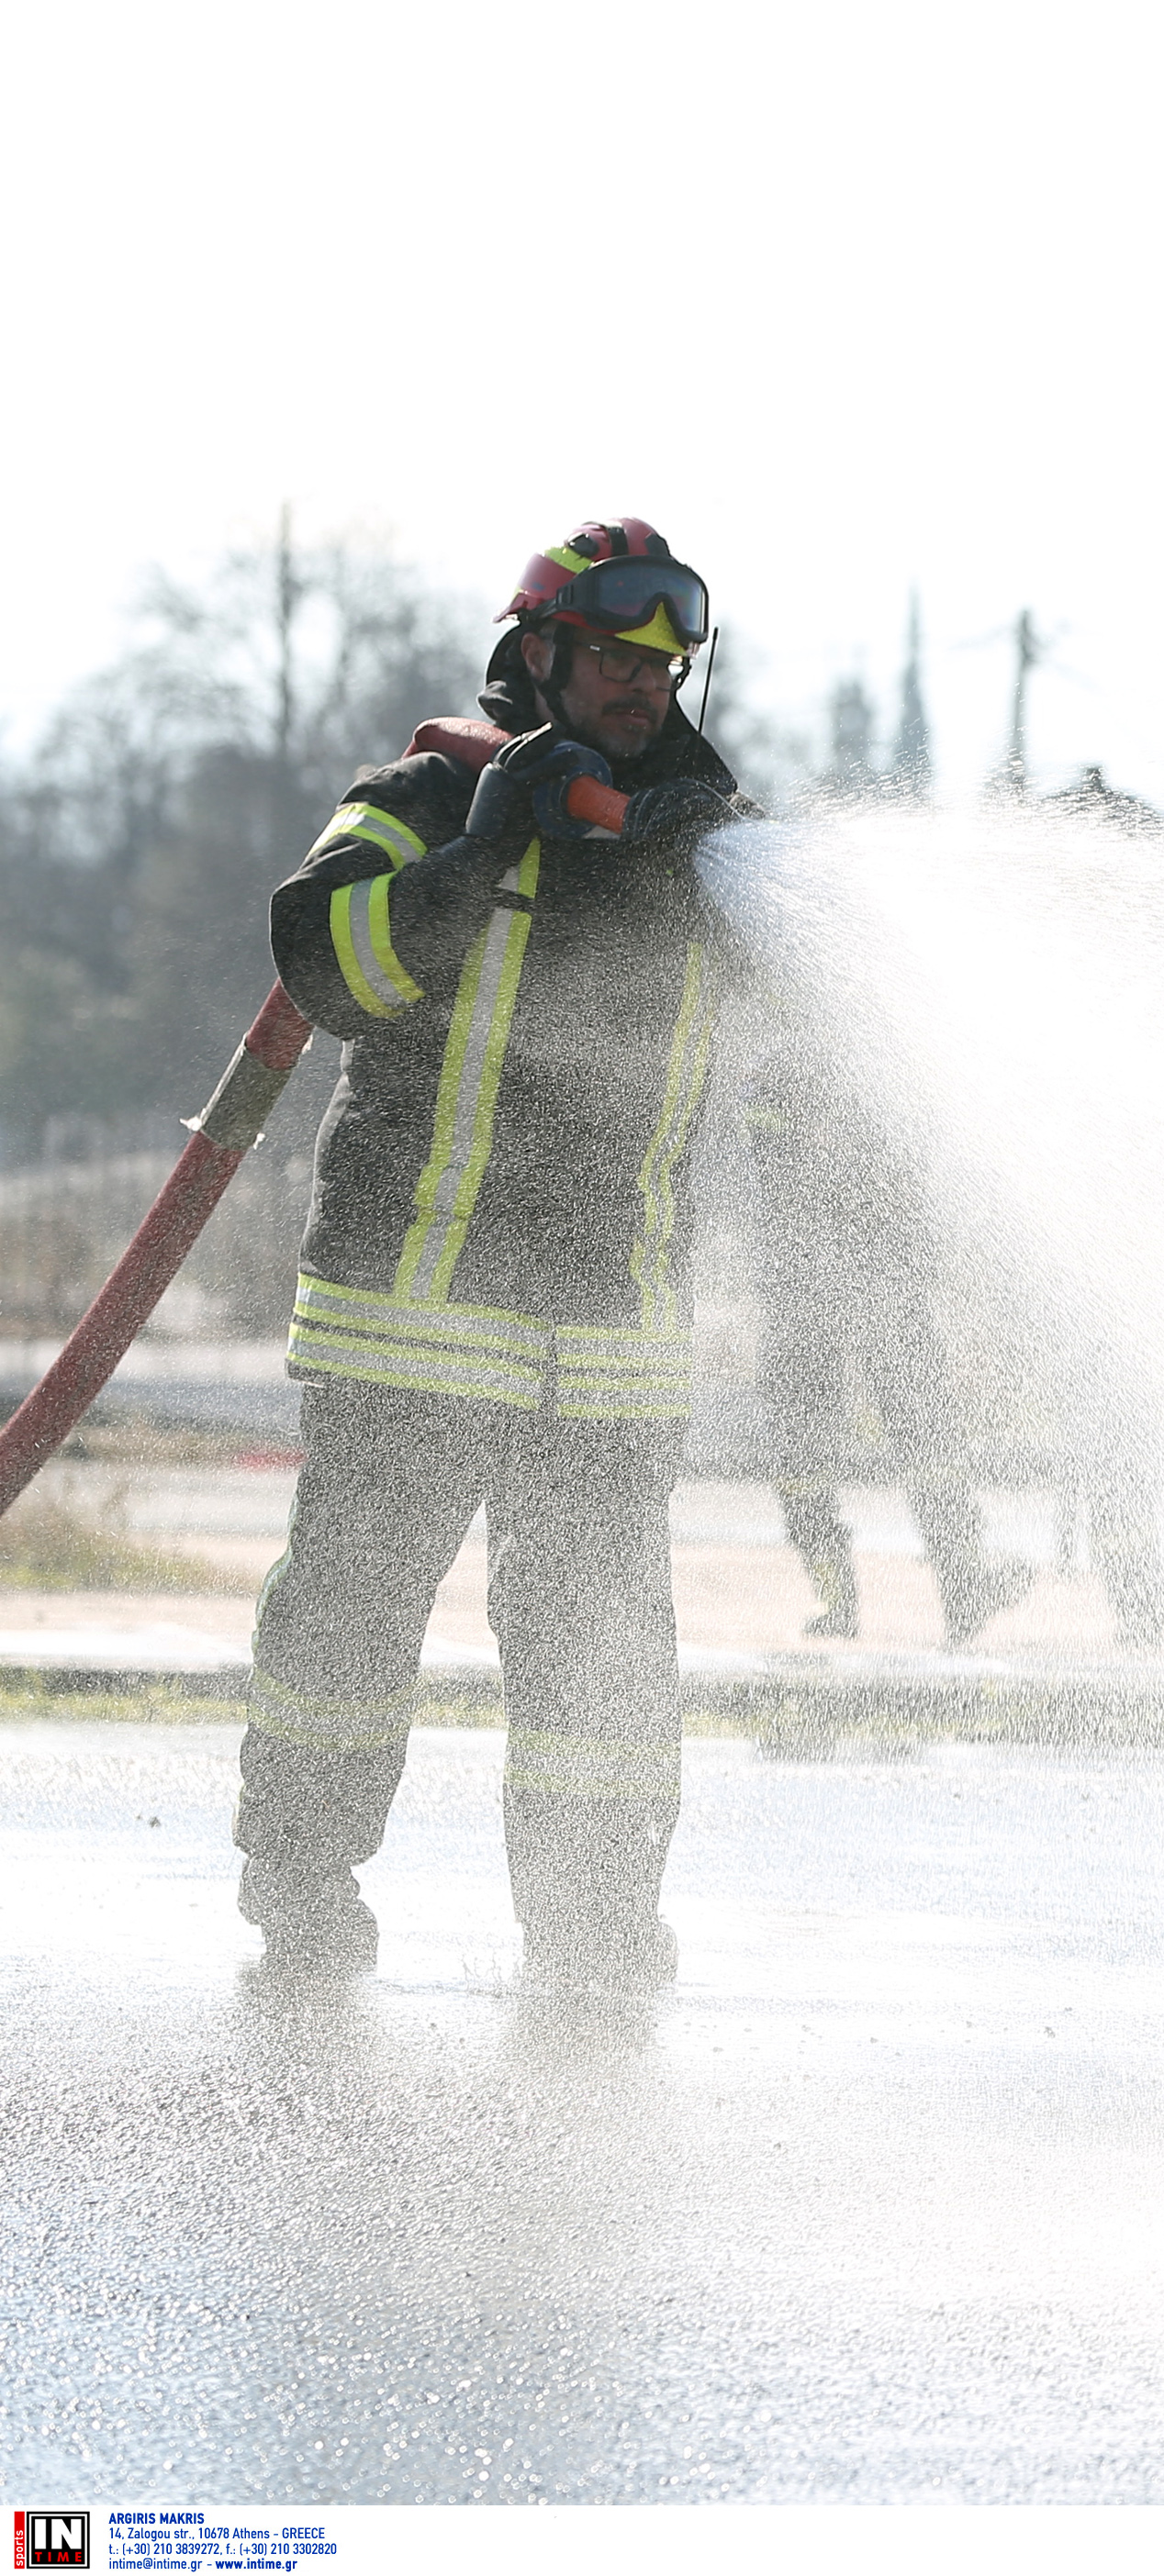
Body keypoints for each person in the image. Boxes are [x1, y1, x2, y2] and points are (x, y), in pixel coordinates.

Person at [236, 521, 747, 1990]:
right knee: (350, 1615)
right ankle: (303, 1881)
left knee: (604, 1660)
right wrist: (481, 852)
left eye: (664, 667)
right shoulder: (427, 797)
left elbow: (828, 1011)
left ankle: (593, 1922)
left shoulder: (705, 844)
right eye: (610, 656)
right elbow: (335, 969)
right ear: (534, 653)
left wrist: (725, 865)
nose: (642, 689)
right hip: (415, 1307)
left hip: (613, 1326)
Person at [746, 1037, 1032, 1649]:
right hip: (855, 1275)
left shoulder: (793, 1060)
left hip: (831, 1277)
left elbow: (774, 1170)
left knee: (833, 1445)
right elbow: (894, 1171)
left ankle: (871, 1596)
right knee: (908, 1438)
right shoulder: (871, 1053)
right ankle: (954, 1589)